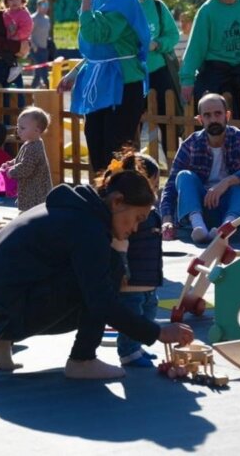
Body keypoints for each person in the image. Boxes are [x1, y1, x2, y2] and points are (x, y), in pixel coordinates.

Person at [0, 170, 193, 378]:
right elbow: (101, 302)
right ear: (117, 202)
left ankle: (1, 341)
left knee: (94, 274)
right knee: (105, 277)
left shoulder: (71, 210)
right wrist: (157, 332)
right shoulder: (88, 229)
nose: (136, 228)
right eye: (137, 218)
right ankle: (82, 360)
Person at [61, 0, 151, 171]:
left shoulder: (126, 1)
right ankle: (105, 203)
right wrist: (75, 71)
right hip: (99, 82)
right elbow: (95, 50)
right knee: (96, 148)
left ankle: (124, 204)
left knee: (116, 156)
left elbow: (96, 33)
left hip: (123, 84)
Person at [159, 93, 240, 244]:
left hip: (238, 211)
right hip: (204, 208)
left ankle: (227, 228)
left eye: (218, 114)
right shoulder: (190, 144)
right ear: (200, 120)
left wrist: (228, 181)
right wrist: (167, 219)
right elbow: (171, 185)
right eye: (207, 115)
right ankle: (198, 226)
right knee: (184, 176)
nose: (213, 120)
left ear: (227, 115)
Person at [110, 151, 164, 368]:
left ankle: (138, 347)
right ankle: (128, 352)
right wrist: (122, 269)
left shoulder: (150, 212)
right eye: (153, 184)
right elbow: (120, 244)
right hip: (132, 282)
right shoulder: (129, 213)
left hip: (149, 279)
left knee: (149, 313)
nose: (156, 188)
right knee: (133, 315)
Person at [135, 0, 181, 147]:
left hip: (159, 71)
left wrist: (157, 44)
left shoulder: (156, 6)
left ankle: (172, 167)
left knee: (168, 120)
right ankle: (131, 169)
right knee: (131, 125)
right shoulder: (118, 9)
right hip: (132, 74)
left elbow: (173, 35)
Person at [0, 106, 52, 212]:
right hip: (29, 189)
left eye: (22, 128)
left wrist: (11, 172)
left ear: (37, 130)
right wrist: (11, 163)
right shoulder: (29, 143)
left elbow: (26, 166)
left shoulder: (35, 147)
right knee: (28, 210)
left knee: (33, 212)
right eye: (18, 127)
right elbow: (22, 159)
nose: (18, 131)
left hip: (36, 191)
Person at [3, 0, 33, 85]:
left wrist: (17, 37)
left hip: (21, 41)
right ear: (6, 2)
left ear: (22, 0)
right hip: (10, 40)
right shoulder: (5, 14)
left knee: (8, 53)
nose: (14, 2)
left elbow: (27, 28)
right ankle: (12, 66)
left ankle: (15, 66)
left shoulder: (23, 13)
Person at [29, 0, 53, 89]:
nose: (46, 7)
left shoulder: (46, 18)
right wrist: (34, 46)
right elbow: (28, 34)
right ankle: (48, 90)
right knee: (41, 73)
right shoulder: (33, 18)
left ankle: (35, 92)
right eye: (44, 5)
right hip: (36, 49)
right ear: (38, 6)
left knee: (40, 73)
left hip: (44, 49)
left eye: (47, 5)